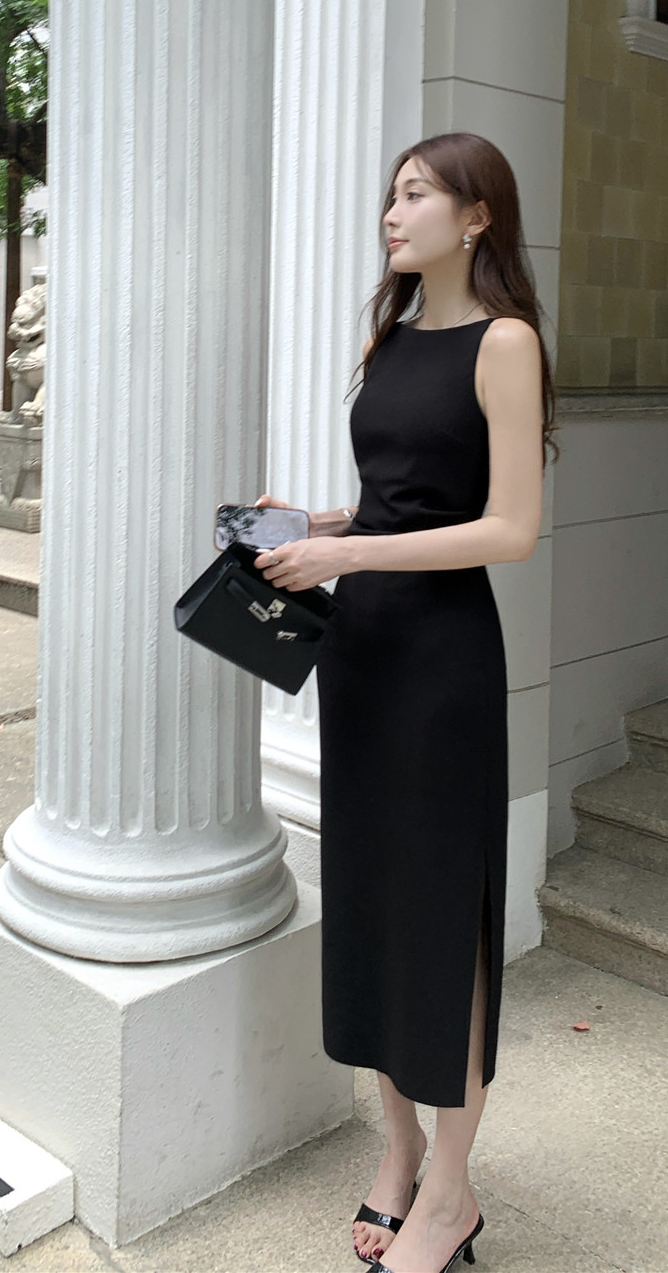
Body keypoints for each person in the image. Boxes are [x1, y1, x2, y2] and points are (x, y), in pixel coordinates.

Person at [252, 131, 555, 1273]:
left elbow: (509, 529)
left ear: (477, 217)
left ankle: (452, 1190)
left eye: (416, 193)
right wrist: (318, 524)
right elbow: (397, 501)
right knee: (375, 909)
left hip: (441, 664)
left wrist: (349, 556)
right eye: (392, 193)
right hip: (364, 653)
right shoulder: (390, 338)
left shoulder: (506, 342)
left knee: (441, 919)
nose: (392, 210)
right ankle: (399, 1151)